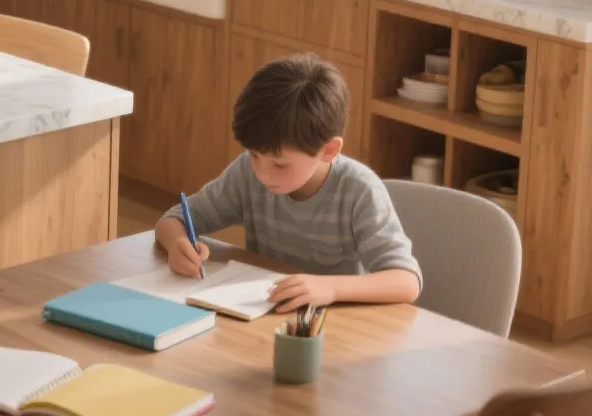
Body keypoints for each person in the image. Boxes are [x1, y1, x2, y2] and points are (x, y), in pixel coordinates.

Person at [154, 53, 422, 313]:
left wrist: (330, 288)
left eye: (280, 165)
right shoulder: (247, 173)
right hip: (265, 316)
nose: (263, 173)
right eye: (254, 154)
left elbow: (406, 281)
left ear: (329, 150)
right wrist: (177, 244)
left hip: (330, 327)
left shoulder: (358, 190)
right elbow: (173, 219)